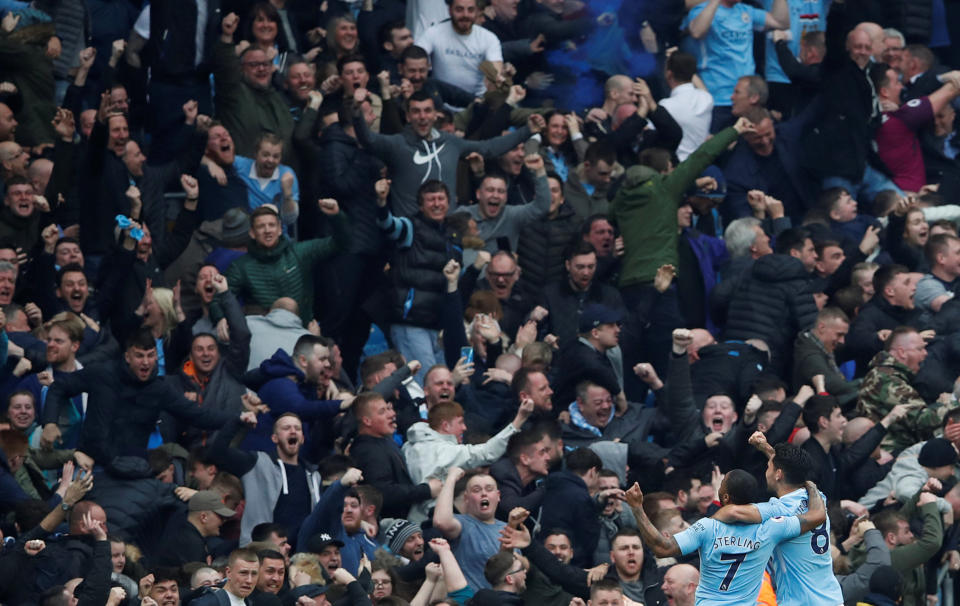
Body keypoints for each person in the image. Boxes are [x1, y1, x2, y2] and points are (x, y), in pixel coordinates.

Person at [626, 470, 825, 604]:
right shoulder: (771, 528)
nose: (718, 489)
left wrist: (637, 508)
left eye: (721, 485)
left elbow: (662, 548)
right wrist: (811, 488)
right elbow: (817, 516)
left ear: (726, 497)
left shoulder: (707, 527)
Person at [714, 437, 844, 605]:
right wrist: (766, 448)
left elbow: (734, 513)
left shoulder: (780, 510)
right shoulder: (817, 496)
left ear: (778, 474)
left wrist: (717, 501)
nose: (766, 471)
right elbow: (790, 468)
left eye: (768, 466)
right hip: (832, 599)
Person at [209, 411, 322, 547]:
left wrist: (320, 545)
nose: (293, 431)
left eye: (297, 428)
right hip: (261, 553)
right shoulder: (256, 463)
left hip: (300, 555)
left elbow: (318, 521)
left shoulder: (313, 475)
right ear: (274, 438)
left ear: (302, 438)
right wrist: (237, 422)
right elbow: (217, 453)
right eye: (286, 428)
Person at [225, 202, 348, 325]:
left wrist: (336, 216)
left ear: (279, 229)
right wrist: (222, 319)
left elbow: (340, 243)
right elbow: (221, 297)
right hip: (265, 334)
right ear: (252, 233)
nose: (267, 230)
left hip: (302, 331)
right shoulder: (241, 266)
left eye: (272, 225)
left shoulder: (300, 252)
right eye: (261, 226)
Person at [434, 465, 507, 590]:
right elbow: (441, 521)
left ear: (498, 495)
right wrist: (451, 478)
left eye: (489, 489)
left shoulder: (507, 528)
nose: (484, 493)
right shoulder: (462, 524)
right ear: (466, 498)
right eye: (476, 490)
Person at [155, 489, 236, 566]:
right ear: (204, 517)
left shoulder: (179, 532)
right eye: (221, 517)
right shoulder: (194, 546)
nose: (224, 521)